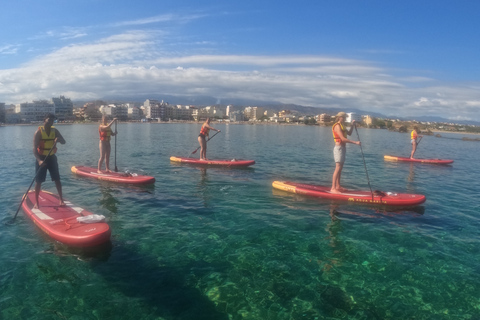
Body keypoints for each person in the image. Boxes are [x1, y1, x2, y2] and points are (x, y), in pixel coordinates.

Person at [33, 113, 66, 208]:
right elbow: (34, 149)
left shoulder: (55, 131)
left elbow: (64, 142)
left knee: (57, 179)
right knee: (38, 181)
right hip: (41, 158)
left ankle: (61, 199)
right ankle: (36, 202)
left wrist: (59, 139)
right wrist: (39, 160)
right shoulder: (38, 132)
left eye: (52, 121)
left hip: (52, 158)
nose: (50, 122)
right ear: (44, 120)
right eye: (48, 120)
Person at [330, 112, 361, 194]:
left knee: (340, 168)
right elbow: (343, 139)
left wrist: (352, 125)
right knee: (337, 167)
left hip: (343, 148)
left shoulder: (342, 126)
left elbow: (349, 133)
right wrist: (355, 142)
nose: (344, 118)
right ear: (339, 117)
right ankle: (333, 188)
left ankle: (338, 186)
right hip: (339, 148)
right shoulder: (337, 126)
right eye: (343, 117)